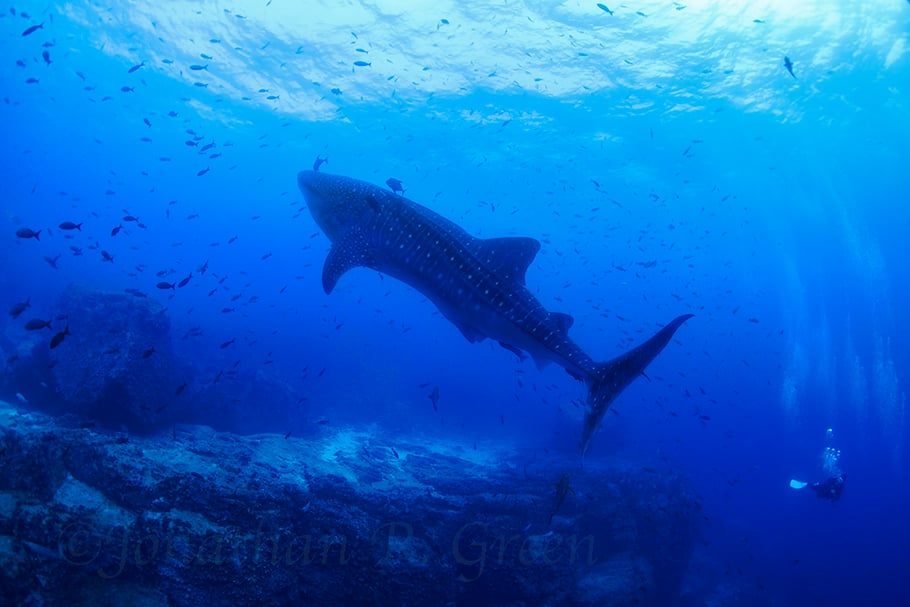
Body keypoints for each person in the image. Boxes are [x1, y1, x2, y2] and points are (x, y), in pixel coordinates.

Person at [789, 427, 846, 502]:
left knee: (821, 495)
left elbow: (838, 496)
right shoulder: (834, 479)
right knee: (818, 490)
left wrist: (834, 494)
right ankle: (807, 484)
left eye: (840, 480)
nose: (839, 481)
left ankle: (810, 485)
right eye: (839, 479)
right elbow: (826, 484)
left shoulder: (841, 486)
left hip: (828, 493)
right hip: (824, 488)